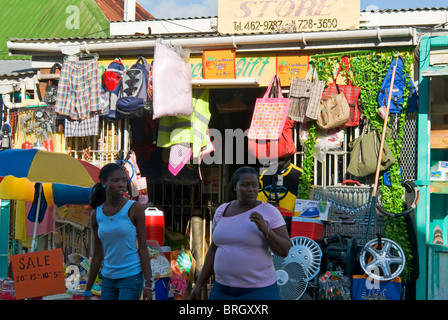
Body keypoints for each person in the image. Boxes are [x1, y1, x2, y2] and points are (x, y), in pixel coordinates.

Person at [189, 166, 291, 300]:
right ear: (234, 187)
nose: (251, 189)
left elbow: (284, 250)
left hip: (259, 292)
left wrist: (266, 230)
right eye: (245, 185)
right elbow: (214, 250)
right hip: (222, 290)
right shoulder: (222, 210)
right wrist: (199, 284)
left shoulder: (269, 211)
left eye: (255, 185)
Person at [83, 163, 152, 300]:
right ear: (104, 182)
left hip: (131, 277)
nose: (121, 184)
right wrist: (87, 289)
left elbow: (143, 248)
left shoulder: (135, 209)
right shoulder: (96, 215)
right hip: (108, 279)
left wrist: (148, 284)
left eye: (123, 180)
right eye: (116, 180)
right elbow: (97, 254)